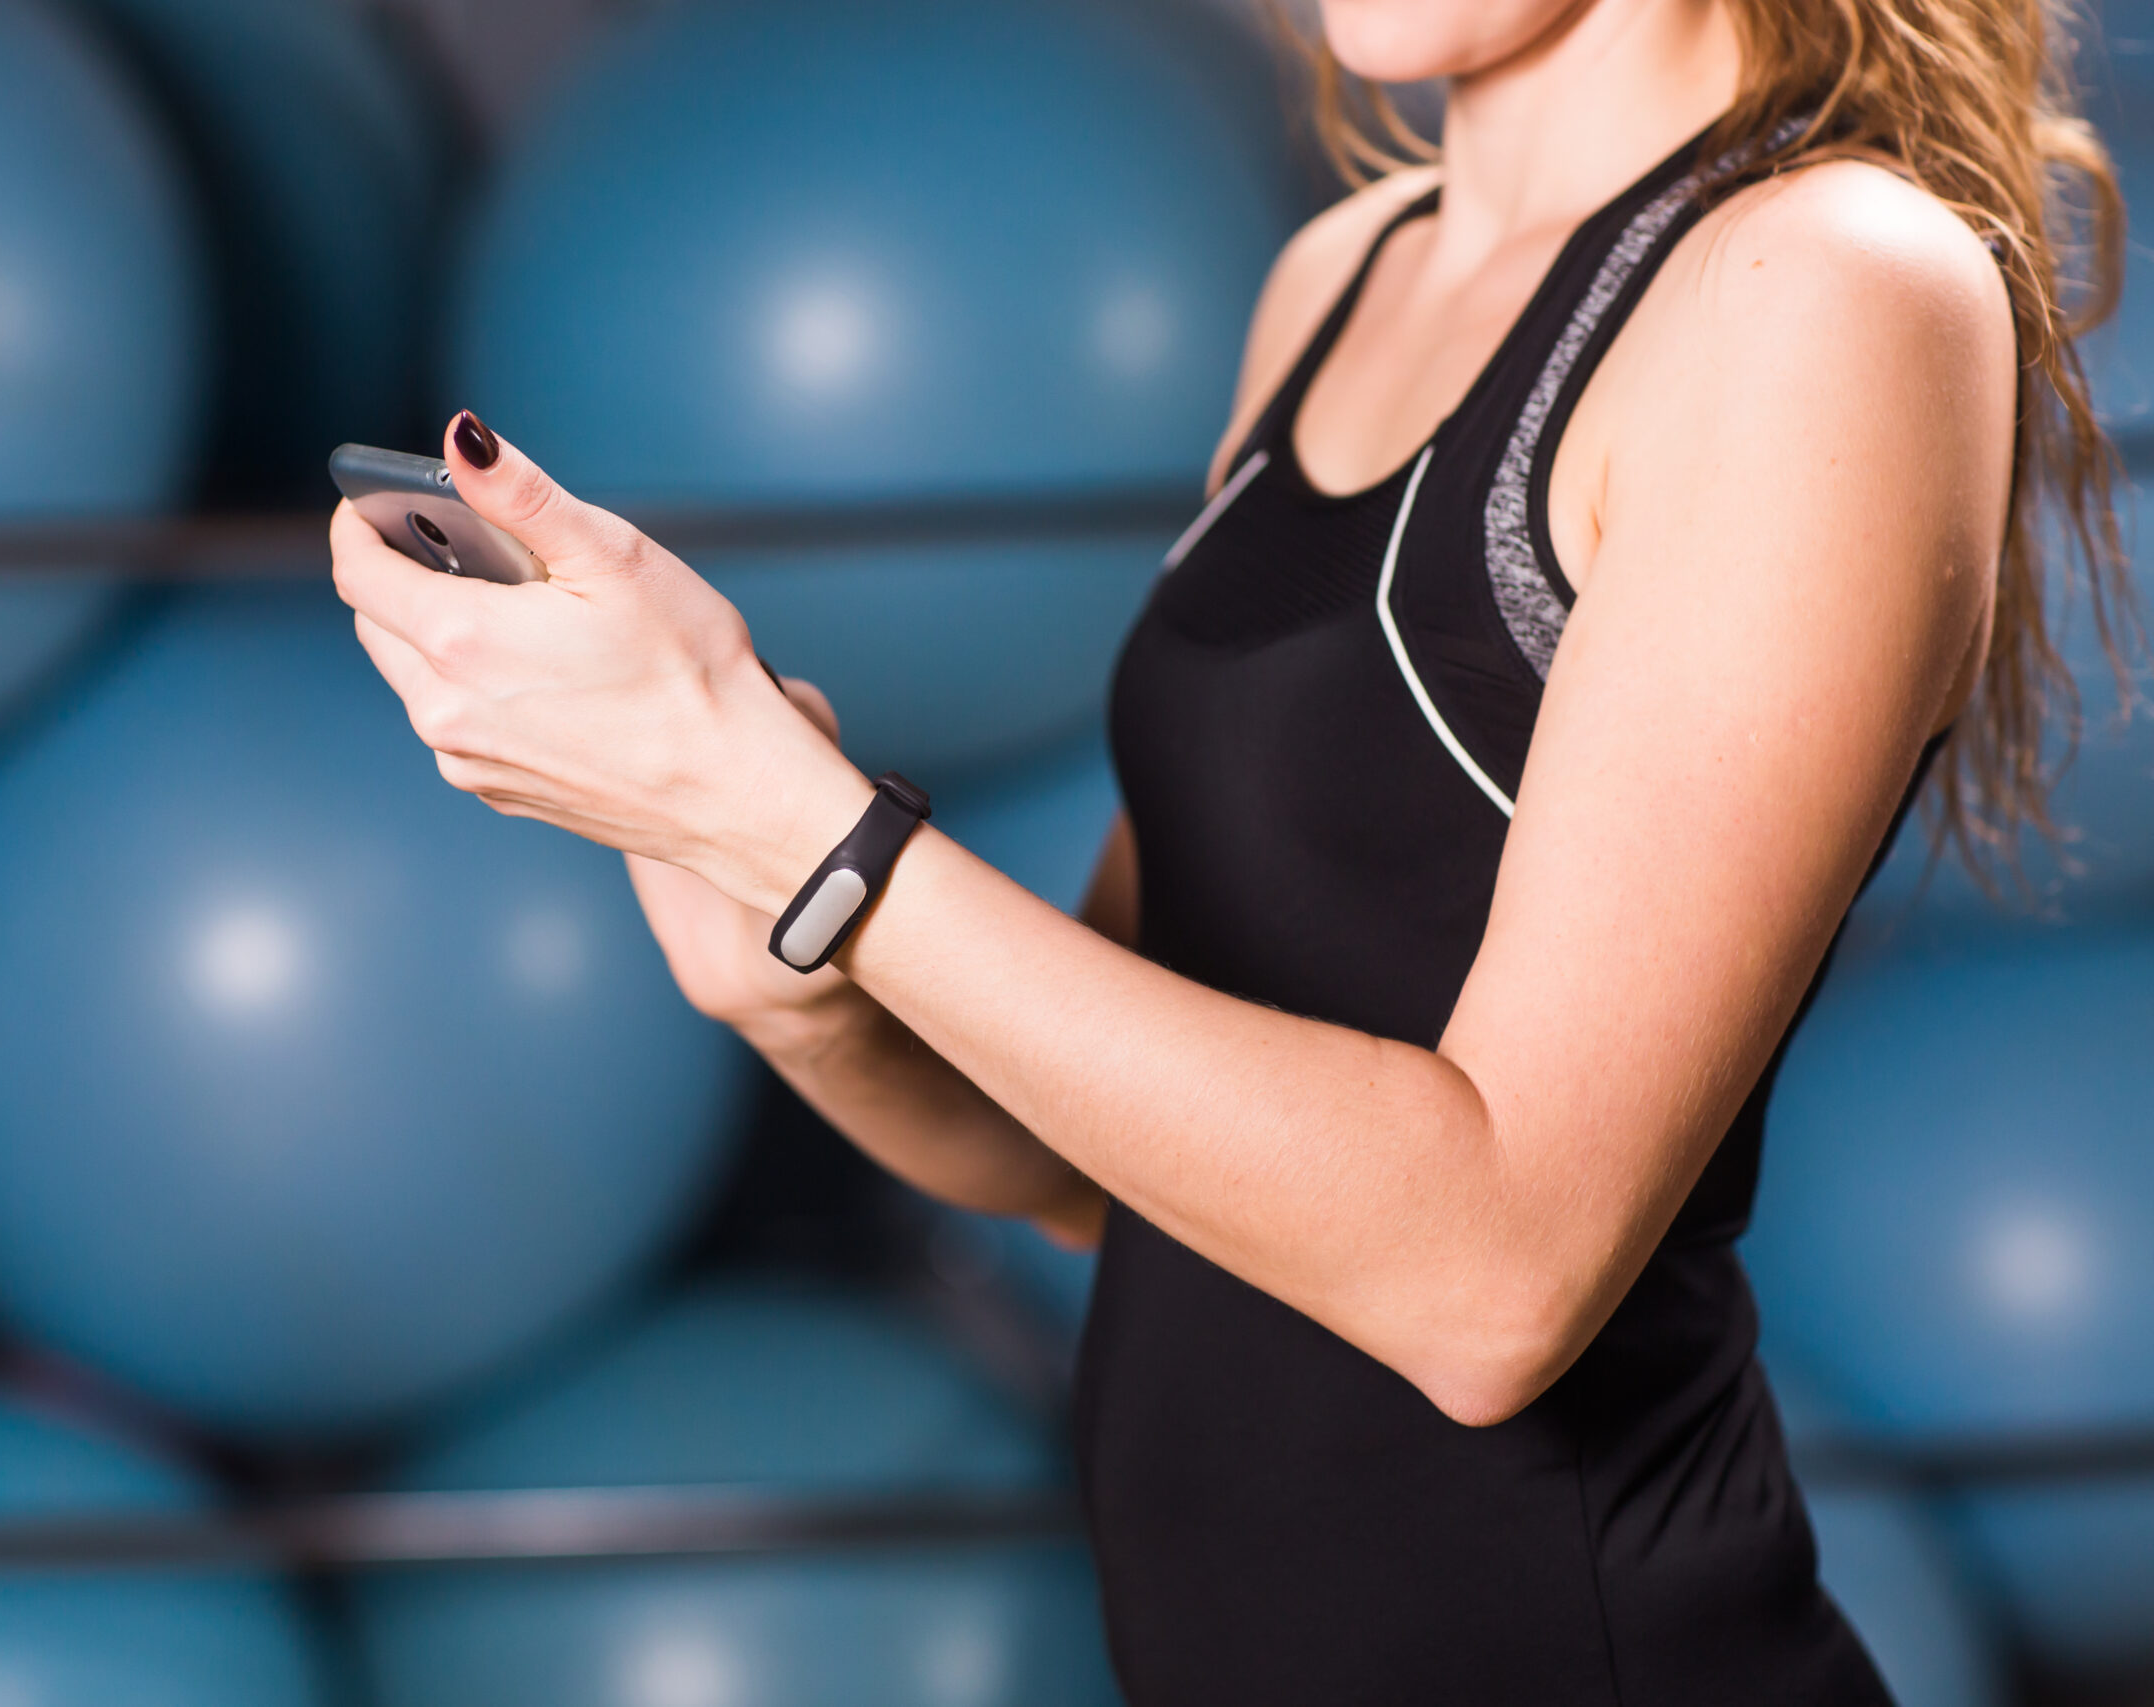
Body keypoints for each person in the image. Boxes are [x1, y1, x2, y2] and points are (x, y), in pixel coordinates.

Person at [331, 0, 2127, 1696]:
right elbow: (1101, 1169)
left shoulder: (1822, 283)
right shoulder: (1343, 278)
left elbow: (1498, 1280)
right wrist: (785, 962)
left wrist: (809, 834)